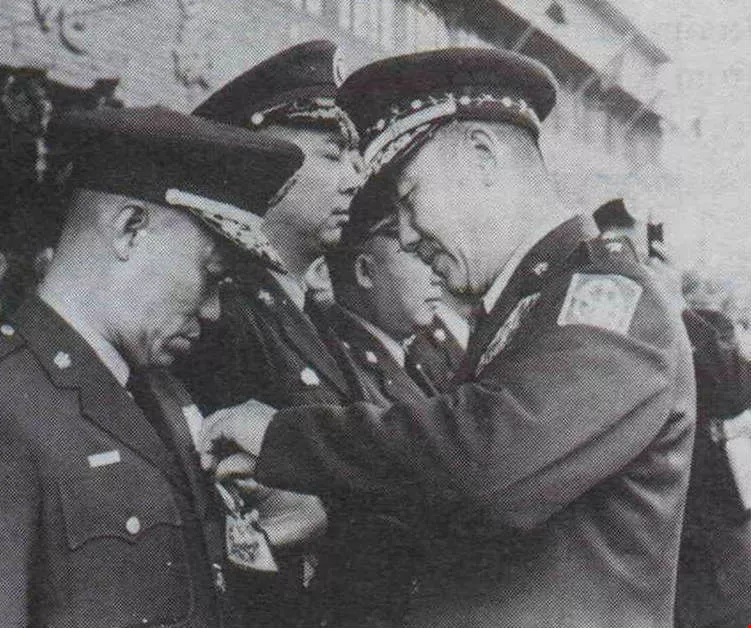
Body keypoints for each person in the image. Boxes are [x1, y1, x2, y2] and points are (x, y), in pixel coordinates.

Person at [200, 47, 697, 628]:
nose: (408, 238)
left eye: (408, 200)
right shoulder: (530, 307)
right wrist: (336, 518)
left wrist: (285, 438)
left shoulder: (607, 300)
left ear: (482, 154)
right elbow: (475, 535)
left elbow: (491, 465)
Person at [0, 105, 304, 627]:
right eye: (210, 275)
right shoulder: (10, 402)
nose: (213, 312)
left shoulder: (163, 397)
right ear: (130, 228)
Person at [174, 40, 364, 627]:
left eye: (355, 158)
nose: (356, 178)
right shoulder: (219, 318)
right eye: (333, 156)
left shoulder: (313, 315)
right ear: (264, 163)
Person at [676, 274, 751, 628]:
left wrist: (677, 308)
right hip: (681, 547)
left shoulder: (703, 330)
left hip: (714, 540)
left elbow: (735, 390)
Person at [324, 196, 443, 404]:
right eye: (417, 253)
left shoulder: (403, 354)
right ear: (365, 271)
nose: (437, 275)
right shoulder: (339, 365)